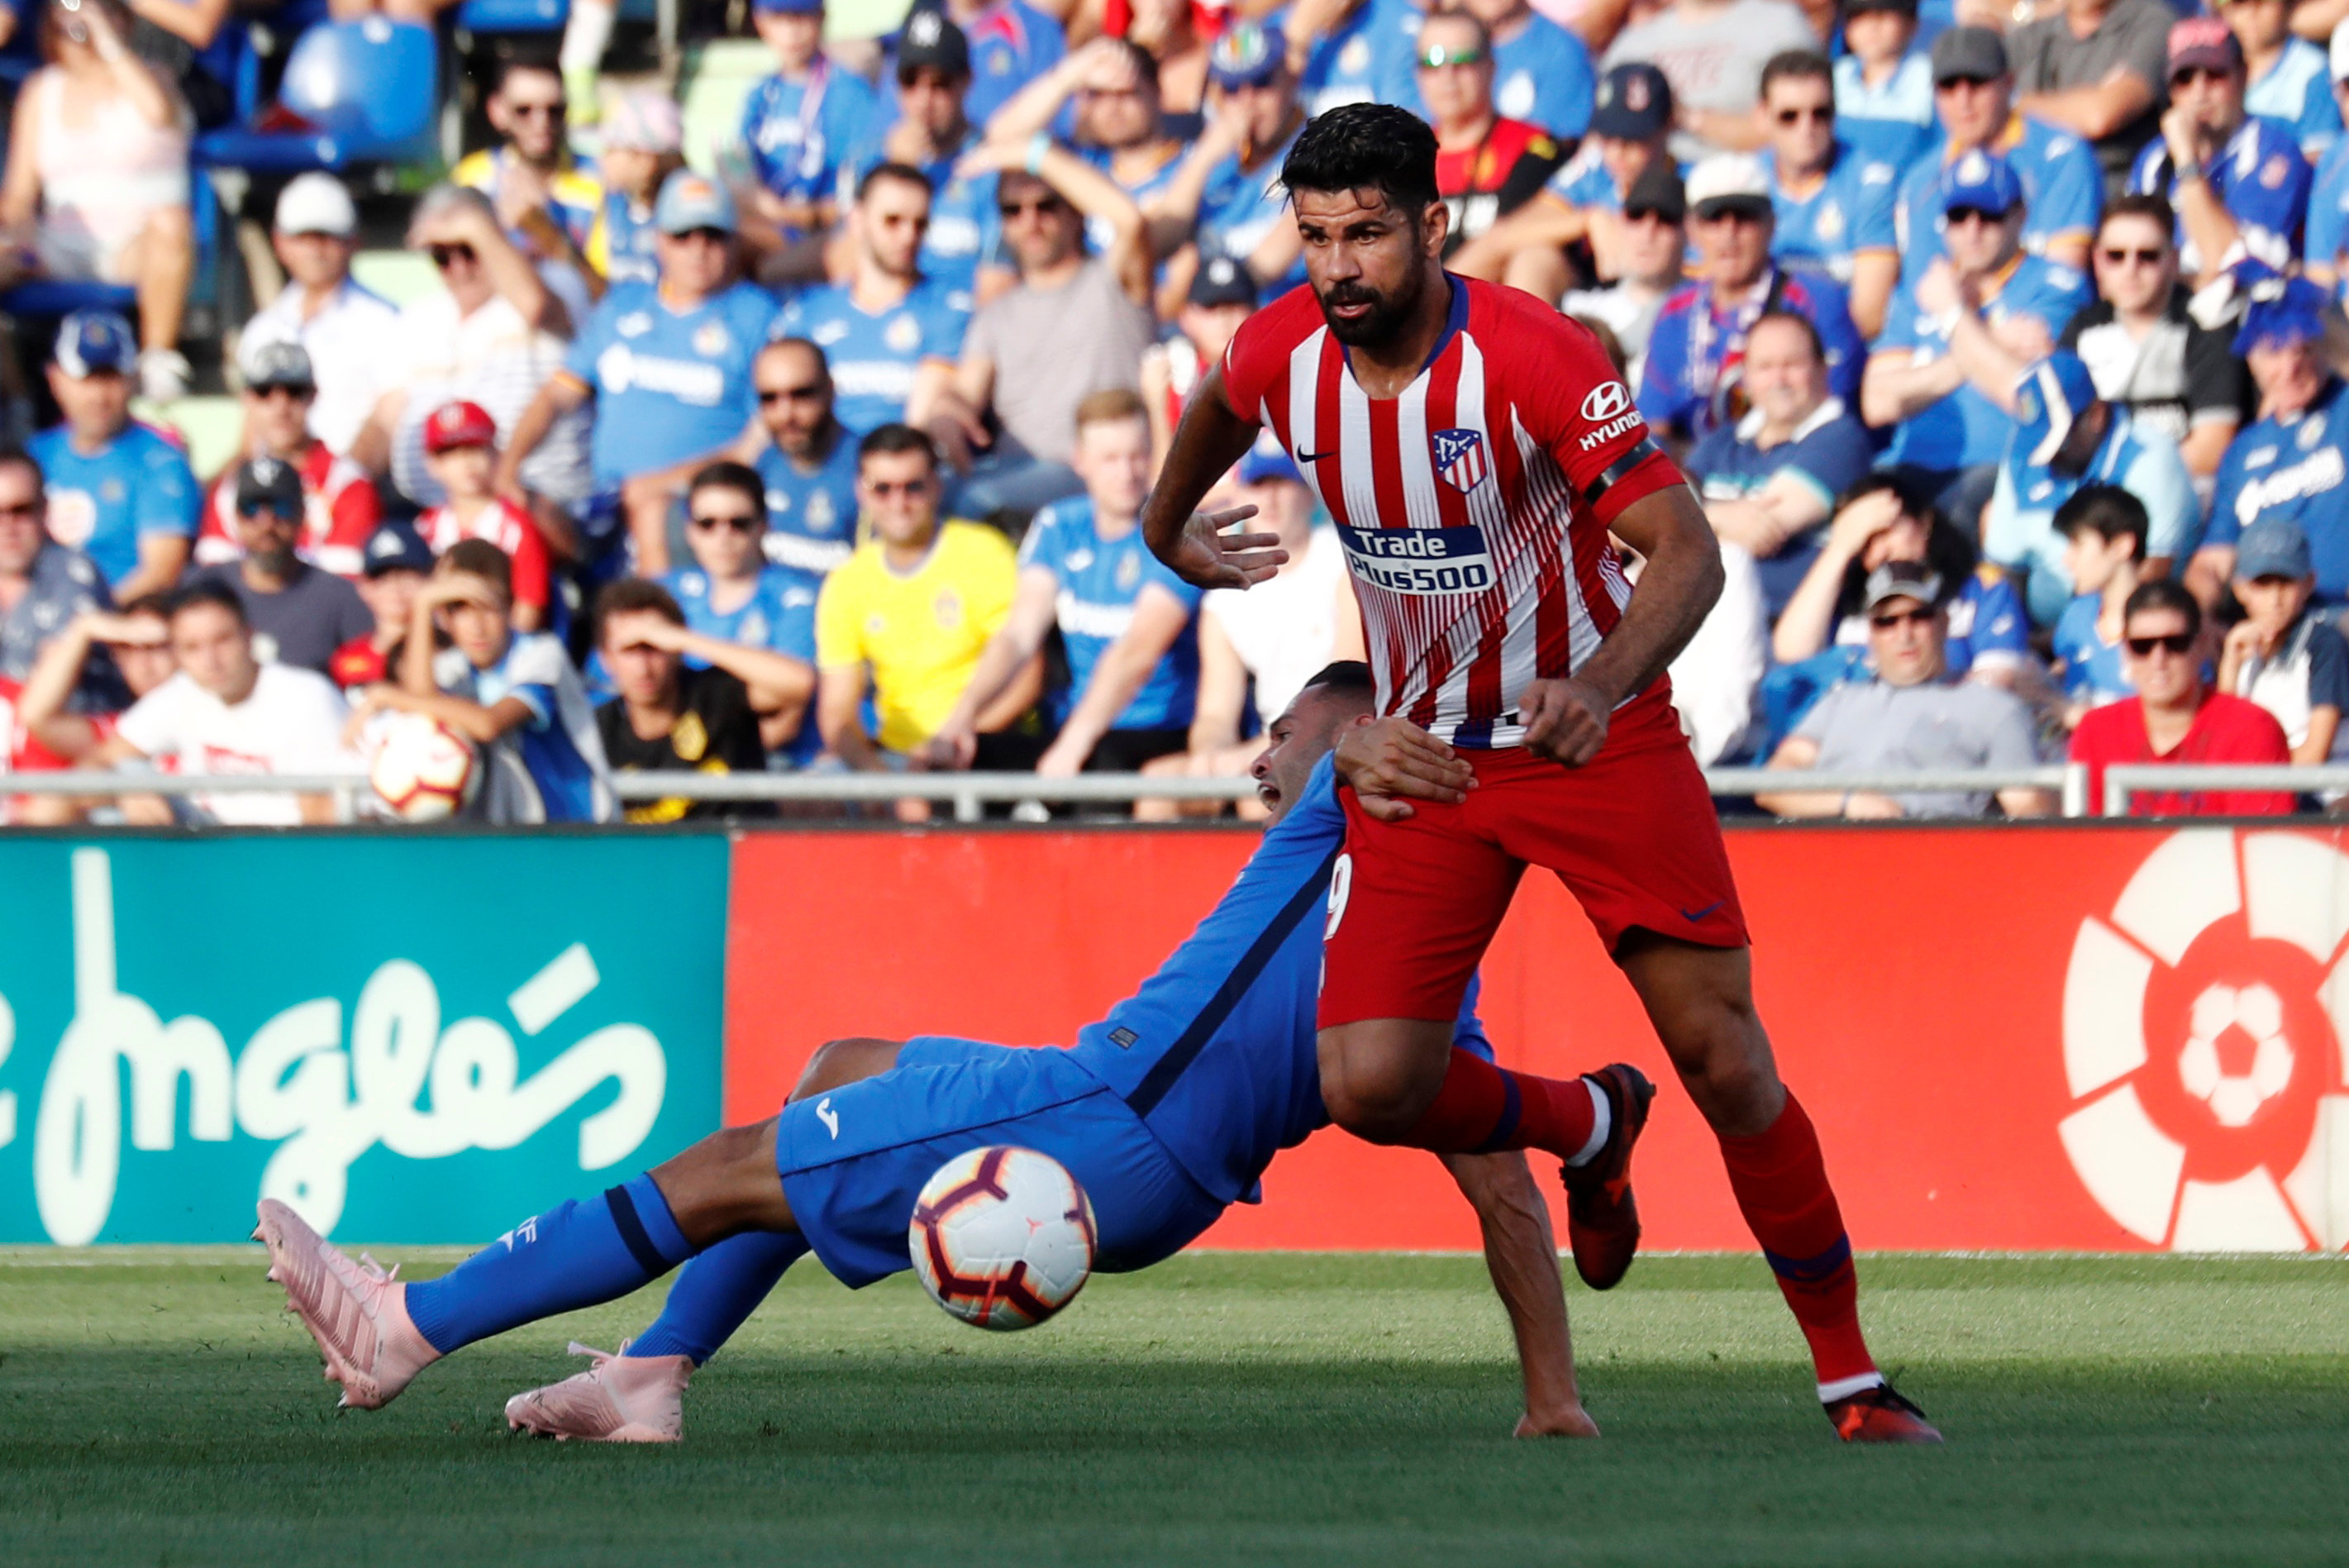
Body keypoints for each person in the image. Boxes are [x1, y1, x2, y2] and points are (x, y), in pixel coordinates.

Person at [1141, 102, 1937, 1442]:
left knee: (1726, 1061)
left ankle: (1852, 1381)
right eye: (1317, 236)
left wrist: (1602, 683)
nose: (1339, 265)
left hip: (1593, 739)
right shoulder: (1284, 347)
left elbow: (1686, 549)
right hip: (1426, 751)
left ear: (1433, 227)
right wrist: (1172, 537)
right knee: (1370, 1080)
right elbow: (1214, 408)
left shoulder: (1531, 355)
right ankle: (1585, 1123)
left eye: (1368, 234)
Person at [255, 663, 1617, 1446]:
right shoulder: (1423, 976)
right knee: (840, 1070)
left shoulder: (1340, 794)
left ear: (1339, 730)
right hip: (1143, 1156)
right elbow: (1498, 1181)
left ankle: (405, 1326)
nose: (1260, 748)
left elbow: (1422, 651)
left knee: (729, 1169)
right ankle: (648, 1376)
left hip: (1090, 1122)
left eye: (1280, 724)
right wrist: (1551, 1397)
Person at [499, 172, 778, 578]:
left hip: (699, 505)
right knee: (519, 508)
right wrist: (508, 466)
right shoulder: (623, 306)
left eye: (713, 236)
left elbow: (758, 441)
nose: (698, 250)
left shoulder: (757, 318)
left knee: (653, 513)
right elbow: (557, 396)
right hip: (606, 499)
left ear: (734, 242)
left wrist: (659, 484)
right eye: (684, 236)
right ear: (661, 241)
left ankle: (652, 627)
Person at [930, 389, 1200, 779]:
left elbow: (1136, 653)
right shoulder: (1060, 525)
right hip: (1075, 726)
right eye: (1110, 459)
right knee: (957, 764)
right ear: (1080, 461)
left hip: (1154, 730)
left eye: (1137, 455)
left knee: (1099, 772)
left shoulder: (1176, 531)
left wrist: (1072, 746)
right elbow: (1019, 634)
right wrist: (961, 717)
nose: (1127, 473)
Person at [922, 139, 1153, 518]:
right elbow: (965, 391)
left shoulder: (1113, 282)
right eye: (1013, 211)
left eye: (1046, 205)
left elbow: (1129, 220)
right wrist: (945, 415)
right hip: (1014, 469)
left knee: (974, 501)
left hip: (1099, 473)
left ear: (1077, 212)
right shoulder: (995, 313)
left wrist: (1028, 153)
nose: (1030, 221)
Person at [1863, 150, 2090, 532]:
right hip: (1910, 466)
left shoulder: (2054, 286)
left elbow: (2026, 397)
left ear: (2020, 216)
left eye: (1989, 216)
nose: (1972, 230)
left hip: (2001, 468)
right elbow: (1878, 402)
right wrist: (1991, 343)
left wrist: (1952, 316)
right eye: (1959, 216)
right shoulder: (1922, 291)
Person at [363, 184, 591, 534]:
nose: (458, 268)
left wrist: (476, 225)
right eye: (441, 255)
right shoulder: (417, 319)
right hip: (440, 517)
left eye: (469, 250)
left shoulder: (553, 283)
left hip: (540, 508)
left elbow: (535, 307)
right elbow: (384, 419)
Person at [813, 425, 1035, 784]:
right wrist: (883, 784)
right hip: (893, 759)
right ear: (861, 492)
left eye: (913, 487)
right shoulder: (847, 582)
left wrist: (955, 739)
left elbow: (1027, 678)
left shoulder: (983, 553)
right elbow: (837, 712)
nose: (898, 503)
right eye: (882, 489)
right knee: (809, 796)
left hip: (981, 745)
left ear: (936, 485)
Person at [0, 0, 192, 399]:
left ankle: (158, 361)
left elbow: (159, 113)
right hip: (59, 247)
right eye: (65, 21)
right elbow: (19, 194)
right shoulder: (41, 92)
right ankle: (13, 395)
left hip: (134, 246)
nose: (76, 31)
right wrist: (15, 233)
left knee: (171, 224)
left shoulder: (155, 79)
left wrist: (104, 37)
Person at [1757, 560, 2052, 818]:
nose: (1904, 633)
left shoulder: (1994, 708)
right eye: (1887, 621)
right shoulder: (1838, 702)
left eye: (1919, 616)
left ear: (1944, 622)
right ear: (1872, 633)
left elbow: (2029, 812)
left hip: (1933, 860)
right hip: (1831, 856)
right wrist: (1848, 803)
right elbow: (1774, 785)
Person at [354, 539, 617, 824]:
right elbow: (424, 705)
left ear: (510, 608)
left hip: (577, 830)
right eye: (461, 609)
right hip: (509, 836)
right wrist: (422, 604)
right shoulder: (454, 666)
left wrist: (390, 696)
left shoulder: (542, 656)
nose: (477, 625)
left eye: (488, 608)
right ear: (444, 618)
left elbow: (488, 724)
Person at [1637, 153, 1865, 447]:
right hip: (1694, 476)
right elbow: (1654, 430)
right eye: (1714, 218)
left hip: (1793, 470)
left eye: (1745, 217)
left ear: (1771, 224)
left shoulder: (1816, 301)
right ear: (1692, 231)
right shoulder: (1674, 315)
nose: (1729, 233)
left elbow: (1831, 418)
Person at [92, 580, 357, 824]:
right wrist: (131, 788)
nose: (210, 661)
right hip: (212, 843)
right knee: (118, 788)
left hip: (285, 849)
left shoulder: (306, 698)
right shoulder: (182, 693)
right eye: (192, 648)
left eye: (222, 641)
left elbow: (322, 817)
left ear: (249, 636)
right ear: (178, 654)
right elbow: (99, 761)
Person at [1982, 350, 2199, 627]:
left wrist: (2072, 638)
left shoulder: (2148, 458)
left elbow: (2149, 575)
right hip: (2042, 639)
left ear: (2095, 415)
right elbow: (2003, 570)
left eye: (2058, 443)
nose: (2046, 458)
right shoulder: (2022, 454)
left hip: (2123, 633)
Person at [1683, 308, 1875, 615]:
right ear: (1746, 378)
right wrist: (1720, 518)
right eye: (1765, 367)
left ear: (1822, 369)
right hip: (1701, 616)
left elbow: (1765, 526)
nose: (1779, 379)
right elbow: (1652, 520)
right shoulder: (1720, 443)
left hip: (1777, 622)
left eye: (1792, 364)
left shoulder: (1841, 439)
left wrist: (1695, 517)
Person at [1772, 473, 2033, 685]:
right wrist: (1839, 548)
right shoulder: (1846, 599)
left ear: (1924, 522)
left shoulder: (1980, 589)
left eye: (1886, 532)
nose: (1879, 552)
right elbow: (1793, 652)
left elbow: (2001, 677)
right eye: (1864, 544)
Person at [2060, 196, 2250, 485]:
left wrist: (2123, 481)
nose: (2130, 268)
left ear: (2173, 261)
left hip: (2184, 492)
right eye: (2116, 255)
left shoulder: (2206, 324)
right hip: (2096, 495)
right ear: (2097, 261)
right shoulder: (2081, 330)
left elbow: (2212, 449)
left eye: (2147, 255)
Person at [593, 576, 817, 821]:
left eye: (654, 648)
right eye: (629, 651)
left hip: (737, 853)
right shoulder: (596, 733)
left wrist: (687, 640)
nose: (643, 667)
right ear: (606, 659)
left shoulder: (716, 693)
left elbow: (800, 683)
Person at [1451, 61, 1675, 303]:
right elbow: (1501, 237)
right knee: (1534, 257)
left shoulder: (1690, 186)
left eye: (1633, 138)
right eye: (1609, 136)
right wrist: (1587, 220)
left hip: (1660, 307)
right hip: (1600, 301)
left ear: (1667, 127)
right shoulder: (1595, 172)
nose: (1618, 151)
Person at [771, 163, 970, 437]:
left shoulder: (947, 311)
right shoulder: (808, 314)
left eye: (920, 224)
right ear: (857, 220)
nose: (908, 236)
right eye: (893, 221)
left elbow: (916, 433)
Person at [2070, 578, 2296, 814]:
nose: (2158, 660)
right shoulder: (2096, 731)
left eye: (2176, 643)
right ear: (2125, 652)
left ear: (2202, 645)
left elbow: (2260, 844)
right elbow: (2085, 843)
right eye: (2142, 646)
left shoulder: (2251, 728)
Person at [1891, 27, 2103, 279]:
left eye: (1977, 83)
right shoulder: (1921, 181)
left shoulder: (2060, 156)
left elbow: (2063, 276)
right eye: (1948, 87)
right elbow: (1921, 287)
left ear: (2009, 84)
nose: (1963, 101)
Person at [2195, 278, 2349, 608]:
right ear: (2251, 358)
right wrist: (2197, 613)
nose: (2290, 367)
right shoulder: (2243, 450)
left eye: (2304, 349)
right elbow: (2214, 558)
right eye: (2274, 351)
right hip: (2272, 627)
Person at [2126, 18, 2310, 285]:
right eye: (2185, 78)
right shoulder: (2152, 161)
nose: (2200, 93)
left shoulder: (2276, 153)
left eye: (2215, 75)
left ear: (2243, 75)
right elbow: (2131, 270)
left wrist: (2187, 163)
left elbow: (2235, 264)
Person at [28, 309, 196, 601]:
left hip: (122, 626)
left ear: (133, 378)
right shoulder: (34, 456)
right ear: (55, 379)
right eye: (87, 379)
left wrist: (84, 624)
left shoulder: (161, 462)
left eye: (111, 379)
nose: (99, 397)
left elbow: (161, 572)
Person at [841, 12, 1003, 308]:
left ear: (966, 82)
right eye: (910, 81)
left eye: (940, 83)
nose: (924, 99)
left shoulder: (990, 167)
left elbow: (998, 283)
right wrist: (895, 175)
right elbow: (844, 264)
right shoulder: (868, 161)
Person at [1146, 22, 1310, 310]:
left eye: (1261, 83)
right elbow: (1157, 244)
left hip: (1290, 317)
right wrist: (1203, 158)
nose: (1247, 102)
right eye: (1233, 89)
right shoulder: (1207, 160)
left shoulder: (1318, 149)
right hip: (1218, 326)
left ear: (1291, 77)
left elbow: (1267, 265)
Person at [661, 460, 818, 760]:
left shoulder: (796, 598)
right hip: (675, 761)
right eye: (707, 524)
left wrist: (682, 640)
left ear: (763, 526)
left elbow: (790, 708)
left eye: (739, 523)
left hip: (780, 764)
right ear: (689, 530)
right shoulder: (665, 593)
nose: (723, 537)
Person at [239, 174, 404, 459]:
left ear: (354, 241)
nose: (315, 250)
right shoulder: (263, 328)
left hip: (351, 488)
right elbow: (251, 435)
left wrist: (337, 486)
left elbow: (388, 421)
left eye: (327, 238)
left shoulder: (385, 322)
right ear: (280, 244)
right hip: (276, 491)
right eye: (303, 238)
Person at [193, 341, 380, 581]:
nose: (281, 407)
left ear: (313, 396)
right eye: (265, 392)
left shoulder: (349, 485)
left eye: (294, 392)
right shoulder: (229, 488)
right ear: (247, 399)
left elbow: (341, 587)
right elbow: (215, 580)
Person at [186, 457, 374, 674]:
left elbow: (365, 682)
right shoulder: (202, 590)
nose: (267, 524)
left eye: (281, 508)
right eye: (251, 509)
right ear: (236, 517)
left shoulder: (341, 599)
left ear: (302, 514)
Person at [1760, 50, 1899, 339]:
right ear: (1763, 116)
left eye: (1820, 113)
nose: (1806, 128)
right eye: (1789, 116)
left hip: (1839, 351)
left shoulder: (1871, 184)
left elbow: (1869, 315)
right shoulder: (1746, 182)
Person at [984, 37, 1194, 228]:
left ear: (1157, 92)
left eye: (1125, 93)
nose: (1112, 107)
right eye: (1098, 95)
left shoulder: (1195, 165)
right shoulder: (1078, 162)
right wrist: (1068, 76)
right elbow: (1000, 140)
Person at [734, 0, 880, 260]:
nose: (792, 32)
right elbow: (740, 172)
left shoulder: (852, 94)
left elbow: (864, 200)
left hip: (828, 240)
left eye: (802, 17)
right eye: (780, 18)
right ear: (760, 22)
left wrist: (790, 214)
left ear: (822, 18)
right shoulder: (760, 95)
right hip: (766, 230)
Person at [1415, 11, 1565, 260]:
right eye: (1433, 63)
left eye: (1463, 60)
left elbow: (1507, 242)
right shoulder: (1404, 159)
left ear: (1491, 67)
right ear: (1418, 75)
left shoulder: (1530, 147)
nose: (1448, 76)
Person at [452, 57, 603, 303]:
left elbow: (603, 291)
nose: (541, 123)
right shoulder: (473, 179)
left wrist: (547, 233)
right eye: (524, 111)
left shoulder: (598, 179)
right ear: (497, 112)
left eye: (554, 110)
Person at [1599, 0, 1819, 163]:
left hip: (1747, 187)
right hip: (1655, 195)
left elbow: (1803, 130)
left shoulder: (1780, 26)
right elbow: (1600, 146)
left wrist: (1687, 117)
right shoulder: (1631, 44)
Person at [2218, 517, 2349, 765]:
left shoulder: (2325, 645)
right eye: (2263, 583)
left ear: (2309, 583)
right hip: (2260, 789)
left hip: (2322, 796)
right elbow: (2223, 743)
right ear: (2239, 589)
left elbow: (2314, 755)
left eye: (2287, 582)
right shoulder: (2240, 647)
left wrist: (2251, 775)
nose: (2275, 598)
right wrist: (2230, 666)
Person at [417, 400, 553, 631]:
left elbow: (529, 607)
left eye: (475, 448)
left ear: (496, 453)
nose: (466, 462)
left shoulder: (516, 525)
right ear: (432, 464)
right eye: (451, 453)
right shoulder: (425, 527)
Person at [2008, 0, 2174, 187]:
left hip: (2117, 191)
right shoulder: (2028, 37)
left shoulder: (2152, 23)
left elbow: (2100, 116)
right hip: (2035, 187)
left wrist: (2014, 102)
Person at [750, 339, 861, 594]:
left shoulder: (869, 473)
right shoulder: (762, 467)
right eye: (770, 398)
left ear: (831, 390)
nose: (786, 414)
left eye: (801, 394)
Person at [1557, 164, 1686, 384]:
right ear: (1620, 223)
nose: (1648, 234)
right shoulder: (1576, 309)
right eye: (1636, 217)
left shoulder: (1702, 312)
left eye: (1665, 220)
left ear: (1689, 231)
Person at [0, 446, 109, 684]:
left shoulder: (74, 574)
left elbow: (46, 681)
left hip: (69, 714)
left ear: (44, 509)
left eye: (21, 510)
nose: (9, 526)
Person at [1140, 254, 1257, 466]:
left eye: (1233, 305)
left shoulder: (1275, 374)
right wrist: (1157, 407)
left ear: (1256, 312)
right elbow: (1160, 486)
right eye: (1210, 308)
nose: (1223, 319)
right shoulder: (1174, 379)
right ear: (1186, 318)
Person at [2050, 483, 2146, 724]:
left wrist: (2064, 709)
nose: (2066, 560)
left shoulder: (2167, 621)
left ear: (2121, 546)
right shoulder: (2076, 614)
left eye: (2077, 545)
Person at [593, 90, 687, 291]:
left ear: (645, 159)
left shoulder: (688, 218)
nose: (602, 159)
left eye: (611, 149)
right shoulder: (613, 205)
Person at [2226, 0, 2340, 160]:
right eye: (2240, 3)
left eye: (2262, 2)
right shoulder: (2211, 74)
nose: (2251, 12)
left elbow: (2320, 164)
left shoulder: (2314, 71)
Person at [328, 521, 433, 690]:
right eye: (381, 578)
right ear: (363, 587)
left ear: (430, 579)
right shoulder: (346, 661)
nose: (395, 587)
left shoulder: (449, 653)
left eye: (406, 574)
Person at [1832, 0, 1935, 174]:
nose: (1871, 26)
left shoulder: (1929, 78)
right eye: (1859, 16)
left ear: (1912, 23)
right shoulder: (1836, 74)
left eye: (1883, 14)